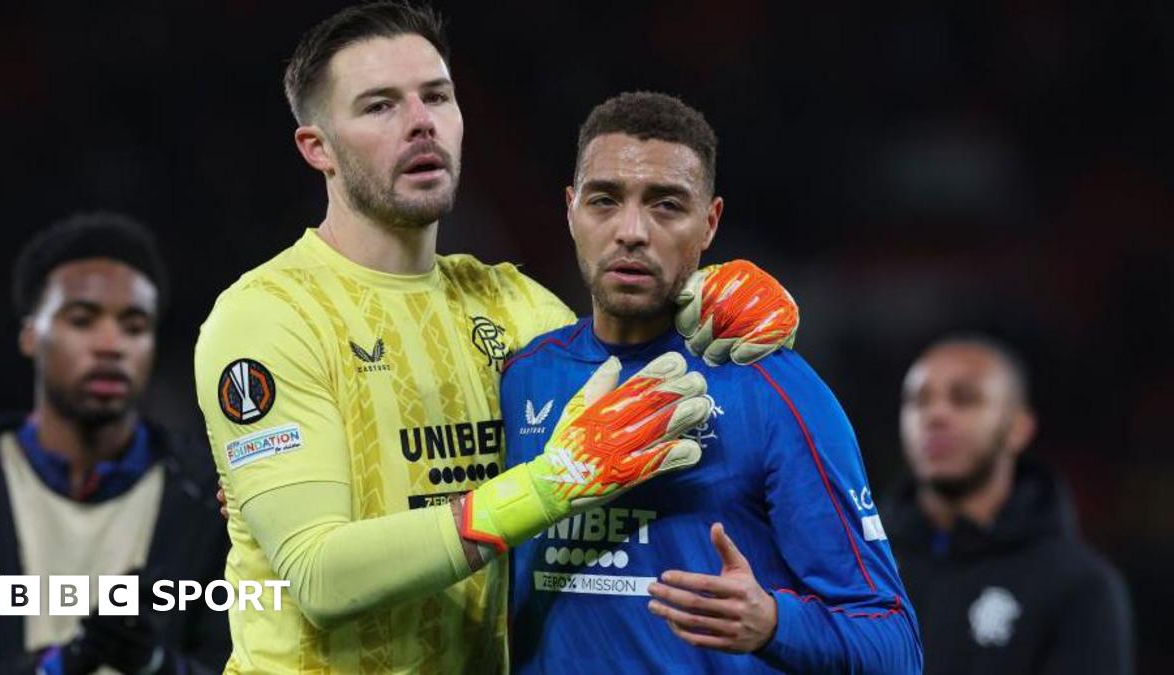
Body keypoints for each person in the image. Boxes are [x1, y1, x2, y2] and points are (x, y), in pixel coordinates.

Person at [193, 3, 797, 673]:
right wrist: (549, 485)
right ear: (318, 148)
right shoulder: (268, 315)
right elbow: (319, 576)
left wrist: (724, 312)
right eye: (379, 106)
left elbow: (651, 406)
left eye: (437, 96)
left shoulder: (516, 306)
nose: (421, 122)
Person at [502, 91, 922, 673]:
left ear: (710, 222)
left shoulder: (773, 391)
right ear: (571, 210)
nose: (631, 231)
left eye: (666, 205)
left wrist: (774, 622)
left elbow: (896, 646)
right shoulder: (522, 377)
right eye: (604, 200)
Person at [0, 213, 229, 674]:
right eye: (82, 320)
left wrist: (154, 663)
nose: (111, 344)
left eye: (134, 326)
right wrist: (58, 665)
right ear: (31, 334)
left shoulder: (211, 498)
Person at [884, 335, 1134, 674]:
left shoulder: (1079, 586)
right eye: (918, 400)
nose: (935, 415)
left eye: (964, 399)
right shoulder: (861, 562)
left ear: (1018, 428)